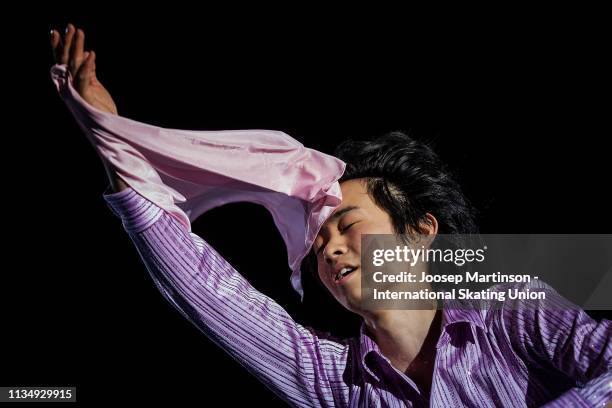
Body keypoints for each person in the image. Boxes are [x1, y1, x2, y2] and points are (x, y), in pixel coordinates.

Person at [50, 24, 611, 407]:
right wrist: (118, 143)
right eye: (317, 243)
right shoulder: (332, 379)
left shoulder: (511, 312)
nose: (330, 248)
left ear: (420, 232)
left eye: (347, 225)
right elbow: (209, 291)